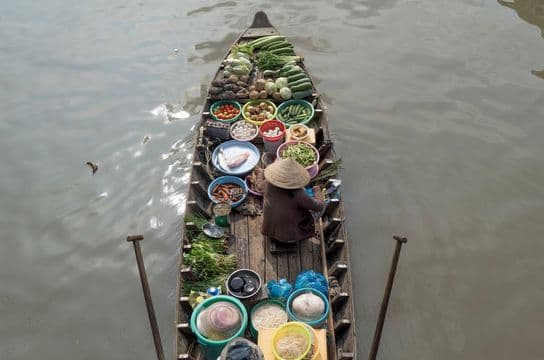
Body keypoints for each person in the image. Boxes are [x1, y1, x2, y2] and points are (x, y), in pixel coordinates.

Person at [261, 158, 324, 243]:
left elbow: (259, 186)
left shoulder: (268, 183)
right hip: (287, 237)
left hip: (267, 228)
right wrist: (317, 190)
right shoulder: (298, 193)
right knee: (313, 212)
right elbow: (319, 206)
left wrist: (260, 173)